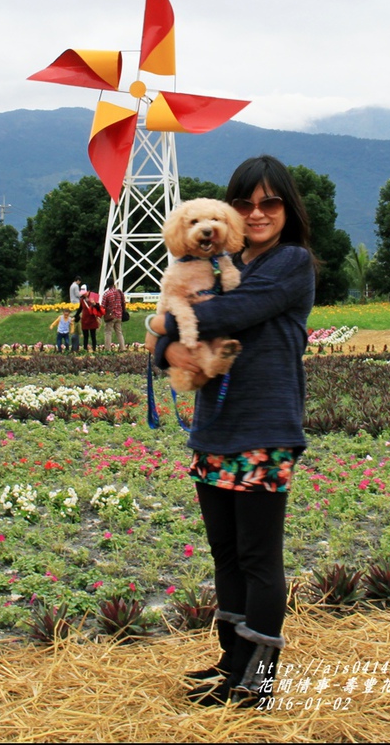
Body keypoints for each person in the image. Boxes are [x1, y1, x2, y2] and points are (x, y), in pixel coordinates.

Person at [145, 155, 316, 708]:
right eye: (245, 203)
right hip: (214, 427)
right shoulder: (223, 261)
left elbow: (223, 313)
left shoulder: (290, 264)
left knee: (258, 559)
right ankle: (231, 664)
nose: (257, 212)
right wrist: (166, 339)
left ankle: (257, 685)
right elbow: (161, 348)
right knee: (225, 553)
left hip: (265, 429)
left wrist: (166, 327)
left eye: (269, 202)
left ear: (287, 208)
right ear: (231, 211)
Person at [101, 276, 129, 350]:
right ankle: (123, 347)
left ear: (107, 285)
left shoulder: (106, 294)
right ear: (113, 283)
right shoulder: (119, 292)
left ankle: (108, 349)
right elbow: (123, 302)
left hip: (110, 316)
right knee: (119, 332)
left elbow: (103, 306)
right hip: (119, 315)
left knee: (108, 332)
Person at [77, 286, 101, 352]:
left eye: (85, 292)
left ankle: (94, 349)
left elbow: (98, 308)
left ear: (88, 291)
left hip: (92, 319)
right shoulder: (82, 299)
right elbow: (80, 308)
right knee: (85, 336)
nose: (83, 294)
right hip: (84, 320)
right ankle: (85, 349)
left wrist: (95, 304)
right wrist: (75, 315)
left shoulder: (93, 298)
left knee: (93, 336)